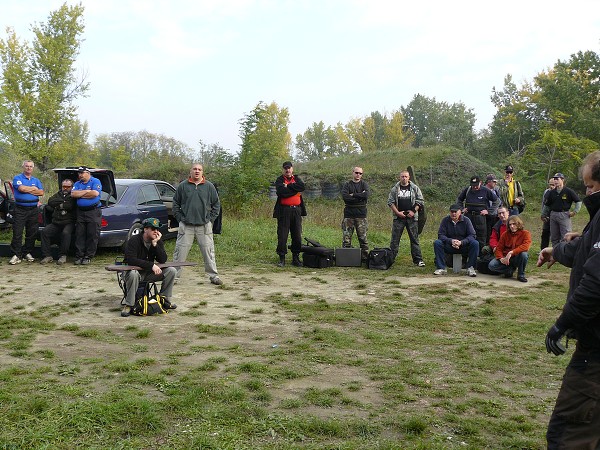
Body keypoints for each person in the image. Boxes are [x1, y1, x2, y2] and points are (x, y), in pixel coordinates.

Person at [537, 150, 600, 448]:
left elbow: (595, 285)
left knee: (569, 433)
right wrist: (556, 250)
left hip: (596, 350)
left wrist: (562, 324)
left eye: (590, 186)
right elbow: (584, 249)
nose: (588, 192)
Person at [172, 163, 222, 285]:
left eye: (199, 169)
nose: (197, 171)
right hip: (186, 226)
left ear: (202, 172)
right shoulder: (183, 186)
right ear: (190, 171)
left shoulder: (209, 187)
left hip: (204, 226)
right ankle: (173, 277)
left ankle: (213, 276)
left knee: (209, 252)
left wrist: (210, 220)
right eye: (195, 169)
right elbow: (175, 204)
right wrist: (180, 219)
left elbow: (216, 204)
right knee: (180, 252)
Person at [121, 217, 177, 317]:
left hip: (148, 274)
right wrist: (151, 265)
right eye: (153, 229)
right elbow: (131, 259)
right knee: (133, 273)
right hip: (131, 273)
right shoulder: (134, 240)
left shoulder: (157, 240)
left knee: (171, 271)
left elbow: (163, 259)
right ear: (145, 229)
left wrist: (155, 245)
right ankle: (129, 304)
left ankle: (164, 300)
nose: (156, 231)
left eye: (157, 229)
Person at [387, 170, 425, 266]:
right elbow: (390, 202)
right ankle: (390, 259)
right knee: (394, 240)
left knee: (414, 239)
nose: (404, 178)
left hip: (412, 218)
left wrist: (413, 211)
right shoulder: (395, 189)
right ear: (399, 177)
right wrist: (397, 213)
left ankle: (418, 260)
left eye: (406, 176)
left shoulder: (415, 188)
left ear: (409, 178)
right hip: (398, 217)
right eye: (402, 176)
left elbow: (420, 201)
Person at [9, 160, 45, 265]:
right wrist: (33, 189)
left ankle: (27, 252)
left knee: (32, 232)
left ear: (33, 168)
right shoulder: (18, 178)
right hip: (20, 209)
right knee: (17, 232)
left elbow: (41, 192)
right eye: (27, 166)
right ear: (23, 167)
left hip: (33, 209)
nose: (29, 168)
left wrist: (29, 189)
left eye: (30, 166)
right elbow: (21, 189)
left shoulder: (36, 180)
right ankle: (16, 254)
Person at [273, 161, 306, 267]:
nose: (287, 170)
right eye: (285, 168)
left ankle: (295, 258)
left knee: (297, 235)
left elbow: (302, 187)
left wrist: (288, 186)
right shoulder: (279, 180)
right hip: (284, 211)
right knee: (282, 235)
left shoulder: (297, 179)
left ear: (292, 169)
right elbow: (281, 192)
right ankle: (281, 258)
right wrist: (294, 190)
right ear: (283, 169)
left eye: (289, 168)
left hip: (297, 211)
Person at [433, 203, 479, 277]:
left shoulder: (466, 220)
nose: (454, 213)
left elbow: (472, 235)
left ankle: (471, 267)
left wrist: (461, 242)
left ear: (460, 212)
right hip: (450, 245)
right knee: (437, 243)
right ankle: (441, 267)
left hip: (463, 246)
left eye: (455, 212)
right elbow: (441, 235)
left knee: (475, 243)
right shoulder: (445, 220)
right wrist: (451, 241)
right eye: (452, 212)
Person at [456, 175, 498, 253]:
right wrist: (461, 209)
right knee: (467, 235)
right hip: (468, 216)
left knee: (481, 237)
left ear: (480, 183)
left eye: (476, 185)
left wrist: (489, 211)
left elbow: (497, 201)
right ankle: (467, 256)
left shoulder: (485, 190)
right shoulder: (467, 190)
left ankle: (480, 257)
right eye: (473, 185)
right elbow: (459, 200)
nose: (474, 187)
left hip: (480, 217)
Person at [70, 167, 103, 265]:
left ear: (88, 173)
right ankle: (79, 255)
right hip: (81, 212)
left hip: (93, 211)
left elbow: (94, 193)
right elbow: (73, 194)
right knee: (80, 234)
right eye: (79, 173)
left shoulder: (95, 181)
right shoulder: (77, 183)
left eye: (82, 173)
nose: (80, 175)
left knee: (92, 234)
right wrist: (87, 192)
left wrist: (81, 193)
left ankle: (88, 256)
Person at [40, 178, 76, 265]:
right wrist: (63, 202)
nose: (65, 188)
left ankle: (63, 255)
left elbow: (70, 205)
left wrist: (58, 205)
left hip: (69, 222)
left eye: (68, 187)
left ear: (72, 187)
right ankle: (47, 256)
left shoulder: (74, 195)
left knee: (65, 233)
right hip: (56, 222)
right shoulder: (58, 194)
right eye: (64, 186)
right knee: (44, 232)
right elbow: (50, 201)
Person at [542, 172, 582, 247]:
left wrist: (575, 211)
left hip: (564, 215)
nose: (555, 181)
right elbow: (547, 205)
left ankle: (565, 253)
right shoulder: (551, 192)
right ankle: (555, 253)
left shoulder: (568, 191)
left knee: (566, 235)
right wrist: (543, 214)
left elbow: (578, 201)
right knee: (554, 237)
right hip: (553, 215)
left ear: (562, 180)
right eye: (554, 179)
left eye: (557, 179)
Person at [487, 215, 531, 282]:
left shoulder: (526, 233)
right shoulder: (505, 234)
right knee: (491, 265)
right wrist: (501, 258)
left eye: (514, 224)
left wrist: (512, 252)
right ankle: (509, 270)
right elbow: (499, 248)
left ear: (518, 223)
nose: (512, 226)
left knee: (524, 254)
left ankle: (521, 275)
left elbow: (526, 246)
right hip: (505, 258)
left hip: (517, 257)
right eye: (510, 224)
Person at [341, 167, 370, 261]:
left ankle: (365, 258)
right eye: (356, 172)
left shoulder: (364, 184)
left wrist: (353, 195)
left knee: (363, 238)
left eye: (360, 173)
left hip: (361, 215)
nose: (358, 175)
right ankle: (345, 259)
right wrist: (359, 196)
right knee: (346, 238)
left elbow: (366, 195)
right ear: (353, 173)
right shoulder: (347, 184)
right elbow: (345, 197)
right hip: (349, 215)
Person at [484, 174, 501, 245]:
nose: (495, 183)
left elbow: (499, 202)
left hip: (495, 216)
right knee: (487, 234)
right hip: (486, 216)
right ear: (488, 182)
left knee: (495, 233)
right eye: (494, 181)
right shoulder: (483, 190)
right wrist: (489, 212)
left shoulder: (495, 191)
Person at [540, 177, 557, 250]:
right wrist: (543, 214)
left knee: (555, 235)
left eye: (553, 185)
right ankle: (543, 250)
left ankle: (555, 250)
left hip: (555, 216)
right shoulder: (546, 191)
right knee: (545, 233)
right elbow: (543, 204)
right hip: (547, 216)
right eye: (550, 184)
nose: (551, 186)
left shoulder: (559, 192)